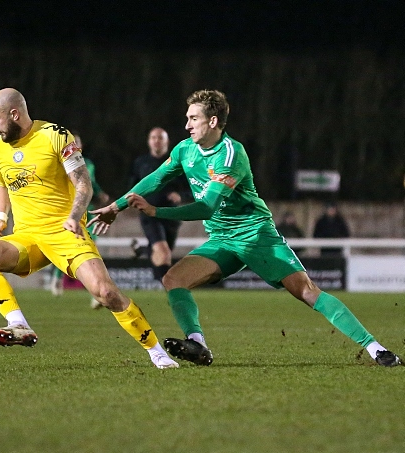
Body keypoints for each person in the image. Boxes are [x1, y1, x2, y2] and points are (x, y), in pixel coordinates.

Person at [90, 89, 401, 367]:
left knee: (306, 291)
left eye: (193, 118)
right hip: (222, 239)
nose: (186, 125)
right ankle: (198, 344)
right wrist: (115, 206)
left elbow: (206, 207)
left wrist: (157, 210)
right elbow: (156, 178)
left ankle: (375, 348)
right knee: (174, 279)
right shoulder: (185, 149)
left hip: (255, 235)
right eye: (187, 118)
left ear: (213, 121)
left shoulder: (231, 154)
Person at [0, 87, 177, 369]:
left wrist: (74, 215)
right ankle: (18, 325)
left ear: (14, 114)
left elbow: (83, 183)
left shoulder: (55, 135)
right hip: (27, 236)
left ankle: (157, 352)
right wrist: (0, 218)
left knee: (106, 293)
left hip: (65, 233)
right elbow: (2, 182)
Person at [48, 132, 110, 310]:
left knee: (91, 248)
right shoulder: (59, 163)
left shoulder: (88, 164)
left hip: (86, 211)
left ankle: (97, 292)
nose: (75, 145)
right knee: (70, 249)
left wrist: (100, 193)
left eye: (78, 142)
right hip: (67, 211)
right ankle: (58, 279)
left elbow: (91, 183)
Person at [129, 127, 189, 282]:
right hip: (149, 214)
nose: (157, 141)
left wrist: (181, 195)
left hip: (171, 216)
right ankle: (169, 289)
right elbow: (132, 186)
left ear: (167, 142)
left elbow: (194, 188)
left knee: (164, 253)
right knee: (163, 254)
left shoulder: (178, 163)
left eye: (160, 138)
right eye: (153, 137)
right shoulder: (141, 163)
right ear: (149, 141)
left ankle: (142, 250)